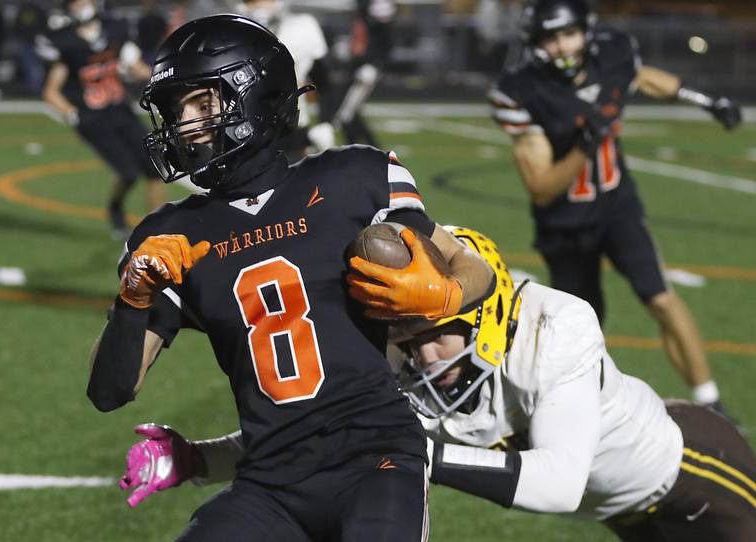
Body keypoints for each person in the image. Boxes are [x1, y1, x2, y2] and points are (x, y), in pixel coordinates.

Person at [87, 14, 493, 541]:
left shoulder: (353, 177)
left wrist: (448, 292)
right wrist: (133, 299)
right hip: (268, 480)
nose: (184, 124)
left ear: (255, 94)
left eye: (202, 104)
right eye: (175, 109)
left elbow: (471, 264)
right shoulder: (171, 234)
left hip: (376, 457)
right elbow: (109, 390)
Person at [124, 226, 756, 541]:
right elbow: (311, 437)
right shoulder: (404, 365)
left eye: (436, 332)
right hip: (625, 512)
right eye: (405, 339)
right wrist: (196, 460)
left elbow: (561, 484)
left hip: (694, 466)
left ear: (483, 312)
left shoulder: (555, 325)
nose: (424, 356)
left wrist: (418, 453)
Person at [486, 0, 742, 409]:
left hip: (616, 207)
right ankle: (585, 411)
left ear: (585, 31)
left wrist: (706, 100)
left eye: (568, 34)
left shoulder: (612, 54)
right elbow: (541, 187)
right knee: (579, 329)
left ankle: (710, 401)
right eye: (550, 38)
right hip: (564, 223)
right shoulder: (522, 90)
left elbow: (641, 77)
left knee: (660, 297)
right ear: (536, 44)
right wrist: (585, 146)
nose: (562, 47)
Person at [38, 0, 164, 240]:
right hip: (93, 118)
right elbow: (51, 91)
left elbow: (135, 66)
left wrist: (162, 79)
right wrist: (73, 115)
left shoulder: (114, 29)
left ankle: (157, 231)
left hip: (119, 109)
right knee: (128, 173)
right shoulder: (67, 43)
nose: (83, 5)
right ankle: (115, 208)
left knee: (155, 167)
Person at [235, 0, 338, 162]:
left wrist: (325, 123)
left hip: (292, 132)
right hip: (246, 136)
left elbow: (323, 82)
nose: (261, 6)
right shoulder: (234, 35)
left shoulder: (301, 29)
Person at [333, 0, 397, 146]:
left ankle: (363, 148)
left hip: (367, 69)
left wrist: (376, 66)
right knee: (349, 113)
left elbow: (384, 45)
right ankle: (368, 148)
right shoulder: (365, 18)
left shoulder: (379, 23)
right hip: (359, 68)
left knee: (346, 114)